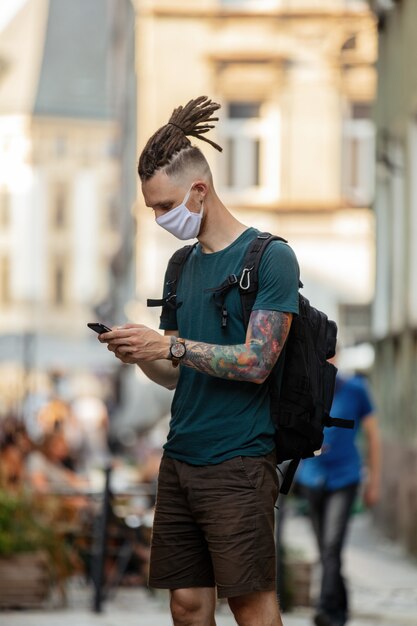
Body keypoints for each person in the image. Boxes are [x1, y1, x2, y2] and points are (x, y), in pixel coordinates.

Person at [98, 96, 300, 626]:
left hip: (239, 462)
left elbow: (258, 361)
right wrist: (141, 353)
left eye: (166, 207)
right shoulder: (179, 265)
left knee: (251, 606)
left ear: (199, 190)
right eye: (151, 209)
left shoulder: (270, 257)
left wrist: (172, 346)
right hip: (179, 457)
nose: (161, 219)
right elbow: (174, 372)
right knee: (186, 606)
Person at [295, 368, 381, 626]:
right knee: (325, 551)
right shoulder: (305, 388)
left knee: (332, 546)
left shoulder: (355, 390)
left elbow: (373, 435)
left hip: (345, 478)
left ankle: (325, 610)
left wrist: (373, 481)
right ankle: (340, 609)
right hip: (312, 477)